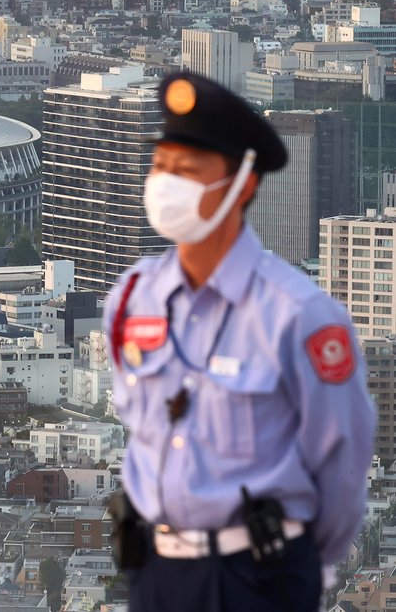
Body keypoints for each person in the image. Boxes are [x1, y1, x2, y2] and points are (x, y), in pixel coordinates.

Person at [104, 71, 376, 612]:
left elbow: (342, 466)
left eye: (188, 169)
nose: (166, 183)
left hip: (257, 575)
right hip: (154, 571)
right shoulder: (133, 299)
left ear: (242, 183)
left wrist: (294, 563)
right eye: (161, 166)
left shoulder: (298, 314)